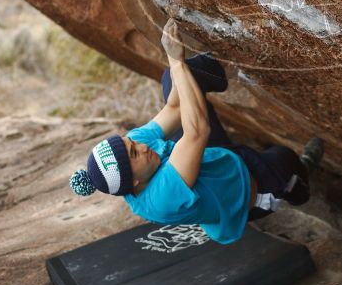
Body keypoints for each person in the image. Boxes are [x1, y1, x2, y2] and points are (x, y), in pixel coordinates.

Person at [68, 18, 324, 243]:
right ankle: (299, 184)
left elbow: (174, 108)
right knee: (284, 158)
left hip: (214, 158)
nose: (140, 145)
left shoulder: (134, 148)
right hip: (249, 187)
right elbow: (197, 131)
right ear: (135, 183)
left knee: (173, 80)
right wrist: (176, 60)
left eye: (130, 143)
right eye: (135, 154)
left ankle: (231, 60)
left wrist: (179, 65)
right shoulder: (160, 199)